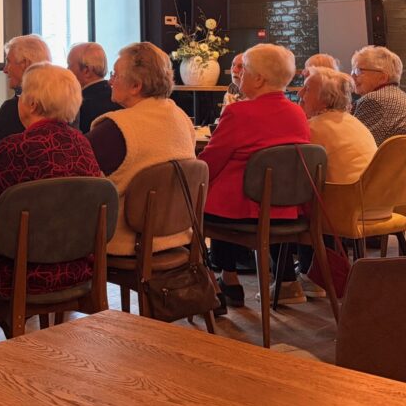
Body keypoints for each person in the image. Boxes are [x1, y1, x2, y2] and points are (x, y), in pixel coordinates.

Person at [0, 63, 101, 345]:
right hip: (75, 268)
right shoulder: (83, 145)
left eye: (21, 93)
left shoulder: (14, 148)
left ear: (30, 103)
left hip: (16, 274)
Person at [200, 43, 310, 308]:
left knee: (192, 201)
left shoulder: (238, 112)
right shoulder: (298, 112)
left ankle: (213, 285)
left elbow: (209, 165)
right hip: (285, 210)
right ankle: (228, 279)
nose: (239, 75)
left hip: (244, 212)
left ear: (259, 78)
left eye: (244, 70)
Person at [87, 42, 196, 257]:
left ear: (136, 85)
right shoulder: (182, 118)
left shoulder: (116, 129)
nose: (110, 81)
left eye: (115, 75)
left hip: (125, 240)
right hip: (176, 234)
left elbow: (77, 170)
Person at [294, 65, 376, 297]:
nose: (300, 93)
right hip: (376, 205)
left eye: (307, 89)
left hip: (342, 210)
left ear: (324, 99)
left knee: (282, 202)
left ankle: (292, 280)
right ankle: (312, 273)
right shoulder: (356, 124)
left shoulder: (313, 129)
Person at [0, 34, 52, 168]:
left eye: (9, 62)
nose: (5, 70)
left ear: (25, 64)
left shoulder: (14, 109)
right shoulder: (63, 107)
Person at [351, 45, 406, 145]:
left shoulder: (374, 100)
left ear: (382, 78)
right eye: (353, 70)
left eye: (358, 71)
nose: (352, 76)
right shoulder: (399, 97)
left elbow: (357, 146)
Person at [66, 42, 121, 133]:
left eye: (69, 65)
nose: (67, 70)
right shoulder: (120, 100)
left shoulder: (78, 107)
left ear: (86, 70)